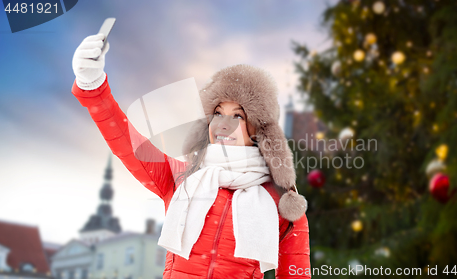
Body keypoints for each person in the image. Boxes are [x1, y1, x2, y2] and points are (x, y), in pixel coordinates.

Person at [71, 34, 311, 279]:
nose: (222, 125)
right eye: (217, 113)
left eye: (238, 116)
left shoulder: (284, 204)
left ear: (258, 129)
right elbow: (128, 143)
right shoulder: (181, 178)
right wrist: (94, 86)